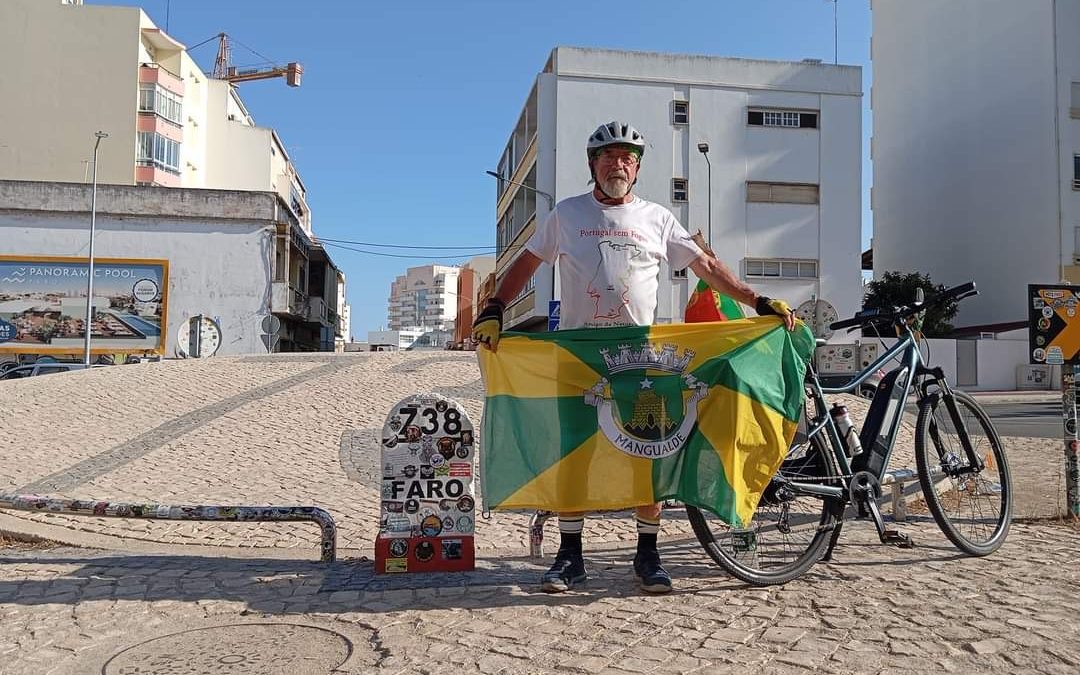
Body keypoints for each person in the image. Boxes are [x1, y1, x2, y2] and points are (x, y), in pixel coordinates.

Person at [473, 120, 795, 594]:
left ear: (638, 167)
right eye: (607, 157)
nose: (617, 164)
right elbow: (528, 261)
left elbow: (704, 264)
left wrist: (756, 300)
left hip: (641, 357)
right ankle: (569, 556)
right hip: (579, 357)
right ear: (592, 165)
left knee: (651, 451)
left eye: (626, 158)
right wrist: (495, 307)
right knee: (573, 455)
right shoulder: (566, 214)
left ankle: (648, 555)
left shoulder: (657, 218)